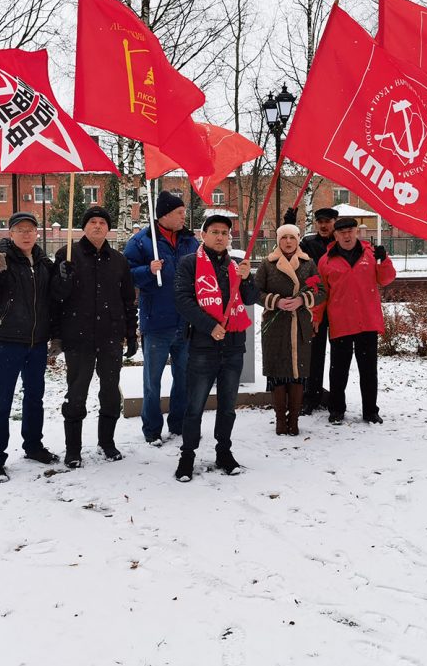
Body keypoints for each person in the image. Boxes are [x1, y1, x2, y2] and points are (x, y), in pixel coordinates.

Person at [0, 211, 57, 483]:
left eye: (31, 229)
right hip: (9, 342)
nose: (27, 234)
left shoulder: (43, 263)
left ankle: (33, 445)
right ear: (10, 234)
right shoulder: (0, 260)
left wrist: (55, 335)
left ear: (37, 233)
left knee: (35, 397)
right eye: (20, 230)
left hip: (37, 342)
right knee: (2, 400)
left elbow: (53, 302)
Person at [172, 214, 258, 482]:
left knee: (228, 406)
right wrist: (209, 325)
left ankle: (224, 451)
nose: (220, 236)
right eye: (215, 231)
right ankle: (187, 455)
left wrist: (246, 279)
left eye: (225, 232)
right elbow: (183, 299)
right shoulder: (189, 264)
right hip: (202, 345)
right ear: (203, 235)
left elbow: (251, 299)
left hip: (233, 346)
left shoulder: (235, 265)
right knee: (195, 405)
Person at [51, 205, 138, 467]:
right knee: (77, 392)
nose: (98, 226)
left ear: (108, 229)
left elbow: (127, 301)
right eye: (92, 222)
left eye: (102, 222)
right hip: (78, 337)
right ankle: (73, 449)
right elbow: (56, 298)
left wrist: (131, 334)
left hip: (110, 337)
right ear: (84, 227)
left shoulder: (119, 261)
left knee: (110, 391)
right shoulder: (67, 255)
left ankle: (107, 442)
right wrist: (62, 278)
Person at [123, 191, 200, 446]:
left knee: (184, 378)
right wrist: (148, 270)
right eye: (179, 213)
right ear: (165, 214)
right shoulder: (143, 241)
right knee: (152, 380)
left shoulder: (190, 241)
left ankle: (178, 424)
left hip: (185, 321)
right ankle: (152, 429)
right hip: (156, 322)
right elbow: (126, 274)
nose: (183, 217)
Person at [316, 216, 396, 424]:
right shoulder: (326, 261)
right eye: (342, 232)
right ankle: (336, 410)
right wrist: (316, 317)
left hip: (366, 322)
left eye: (351, 231)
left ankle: (370, 411)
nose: (347, 235)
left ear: (357, 232)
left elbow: (386, 279)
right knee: (338, 371)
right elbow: (321, 293)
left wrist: (384, 260)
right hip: (340, 323)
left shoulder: (371, 255)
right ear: (335, 235)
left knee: (368, 371)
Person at [255, 223, 325, 436]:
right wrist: (274, 301)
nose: (288, 242)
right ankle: (279, 420)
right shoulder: (268, 264)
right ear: (278, 240)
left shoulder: (308, 263)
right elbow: (255, 292)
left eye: (292, 238)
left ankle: (294, 419)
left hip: (300, 325)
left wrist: (302, 300)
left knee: (297, 373)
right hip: (275, 326)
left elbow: (321, 291)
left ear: (297, 240)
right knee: (278, 373)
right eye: (284, 237)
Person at [299, 206, 339, 413]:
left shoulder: (342, 243)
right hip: (316, 304)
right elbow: (293, 257)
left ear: (335, 222)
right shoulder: (308, 243)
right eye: (320, 221)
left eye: (328, 221)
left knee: (339, 356)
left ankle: (336, 398)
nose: (323, 225)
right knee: (314, 353)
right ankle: (311, 396)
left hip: (339, 305)